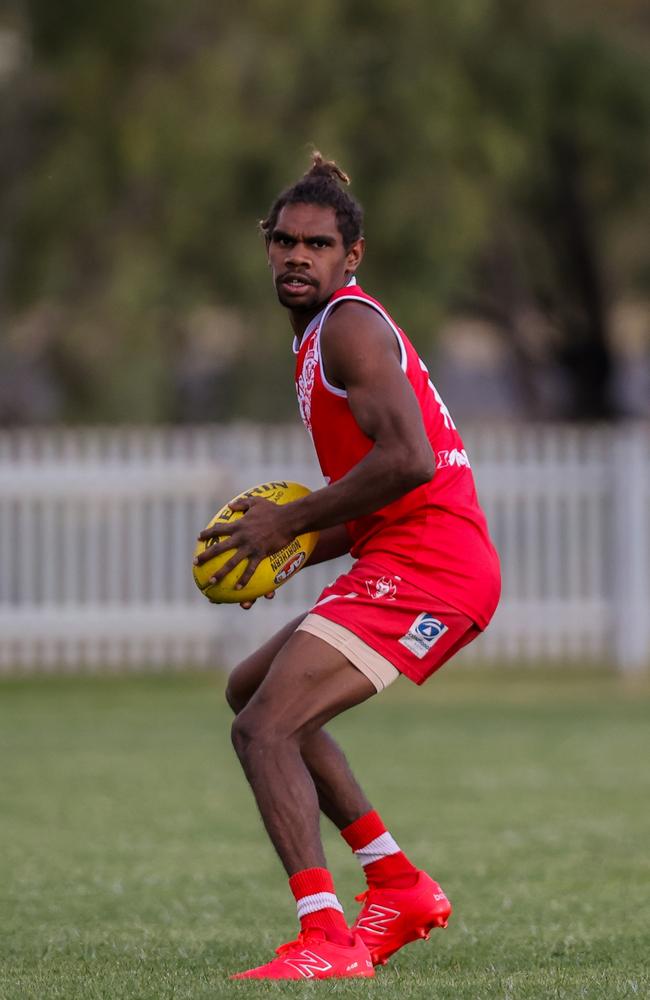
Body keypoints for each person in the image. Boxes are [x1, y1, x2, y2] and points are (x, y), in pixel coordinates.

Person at [194, 152, 501, 980]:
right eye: (285, 242)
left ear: (351, 256)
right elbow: (373, 493)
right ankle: (396, 883)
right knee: (251, 694)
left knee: (263, 729)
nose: (298, 256)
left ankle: (326, 937)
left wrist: (289, 521)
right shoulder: (318, 339)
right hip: (405, 553)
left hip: (433, 565)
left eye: (318, 244)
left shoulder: (350, 328)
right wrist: (291, 548)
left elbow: (410, 462)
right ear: (267, 248)